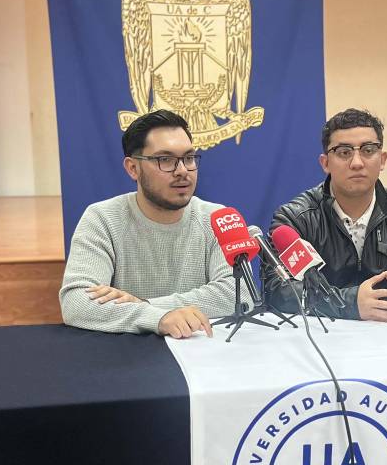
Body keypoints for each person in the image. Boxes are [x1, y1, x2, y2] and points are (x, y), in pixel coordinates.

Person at [60, 109, 252, 338]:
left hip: (201, 350)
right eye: (165, 160)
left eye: (189, 158)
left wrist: (147, 304)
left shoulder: (217, 219)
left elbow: (241, 294)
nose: (182, 171)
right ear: (133, 168)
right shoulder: (102, 218)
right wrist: (157, 319)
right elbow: (76, 302)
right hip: (129, 354)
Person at [263, 108, 387, 323]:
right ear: (325, 163)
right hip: (323, 334)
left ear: (382, 159)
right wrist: (350, 303)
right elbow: (278, 290)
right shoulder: (294, 219)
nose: (357, 162)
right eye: (344, 152)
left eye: (368, 150)